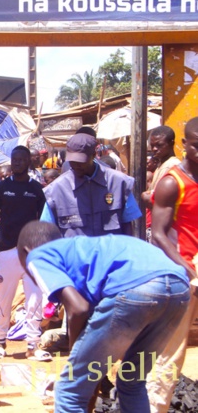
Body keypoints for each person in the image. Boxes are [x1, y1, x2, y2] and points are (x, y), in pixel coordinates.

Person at [17, 221, 190, 412]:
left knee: (69, 389)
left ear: (25, 251)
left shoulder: (37, 256)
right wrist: (90, 369)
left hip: (135, 289)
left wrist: (76, 355)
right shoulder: (84, 254)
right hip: (178, 289)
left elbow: (78, 309)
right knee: (131, 380)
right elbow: (95, 332)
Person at [146, 117, 198, 412]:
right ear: (185, 145)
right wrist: (189, 270)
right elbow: (159, 234)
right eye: (197, 146)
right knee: (170, 353)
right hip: (183, 277)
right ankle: (155, 407)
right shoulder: (171, 182)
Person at [0, 146, 47, 361]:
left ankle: (33, 345)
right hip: (8, 251)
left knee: (35, 299)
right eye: (14, 159)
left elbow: (44, 221)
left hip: (32, 252)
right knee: (3, 297)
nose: (17, 163)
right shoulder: (0, 189)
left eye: (21, 159)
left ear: (29, 161)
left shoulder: (37, 189)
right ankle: (0, 341)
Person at [41, 132, 141, 237]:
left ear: (93, 156)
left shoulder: (119, 183)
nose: (76, 165)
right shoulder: (56, 190)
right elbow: (47, 231)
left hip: (111, 252)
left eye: (80, 161)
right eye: (72, 161)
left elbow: (128, 225)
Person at [141, 126, 181, 243]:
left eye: (159, 145)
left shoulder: (171, 166)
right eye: (152, 145)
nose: (154, 149)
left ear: (171, 143)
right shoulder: (161, 164)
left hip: (168, 227)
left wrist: (146, 196)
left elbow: (157, 200)